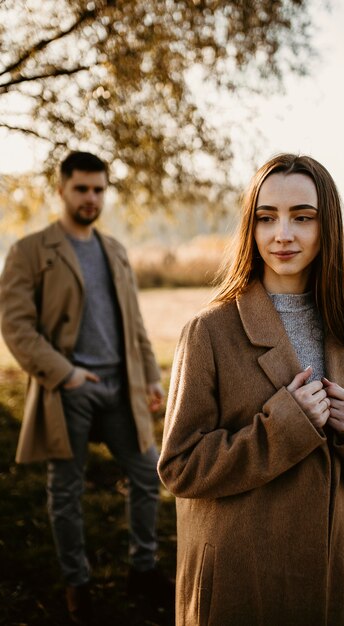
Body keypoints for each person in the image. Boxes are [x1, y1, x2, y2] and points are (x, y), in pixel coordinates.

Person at [157, 153, 344, 626]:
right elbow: (180, 467)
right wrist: (283, 426)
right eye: (267, 218)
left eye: (302, 217)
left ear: (328, 228)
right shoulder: (208, 332)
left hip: (328, 577)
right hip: (242, 579)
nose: (283, 234)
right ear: (251, 228)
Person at [0, 151, 174, 624]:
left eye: (99, 189)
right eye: (82, 189)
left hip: (121, 385)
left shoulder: (115, 250)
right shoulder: (30, 250)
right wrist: (67, 373)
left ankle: (143, 568)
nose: (91, 198)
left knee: (147, 471)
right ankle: (77, 584)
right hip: (68, 388)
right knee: (66, 490)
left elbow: (134, 321)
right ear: (61, 190)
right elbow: (16, 327)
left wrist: (152, 377)